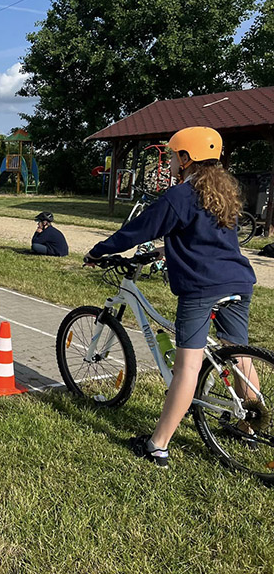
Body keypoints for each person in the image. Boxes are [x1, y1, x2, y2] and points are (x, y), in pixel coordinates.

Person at [85, 126, 257, 469]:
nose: (173, 162)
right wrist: (171, 248)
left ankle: (158, 446)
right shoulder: (226, 192)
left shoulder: (180, 196)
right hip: (238, 280)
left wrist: (99, 250)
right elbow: (210, 238)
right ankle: (250, 425)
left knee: (187, 367)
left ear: (185, 158)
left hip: (202, 287)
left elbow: (138, 230)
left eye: (174, 155)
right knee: (239, 354)